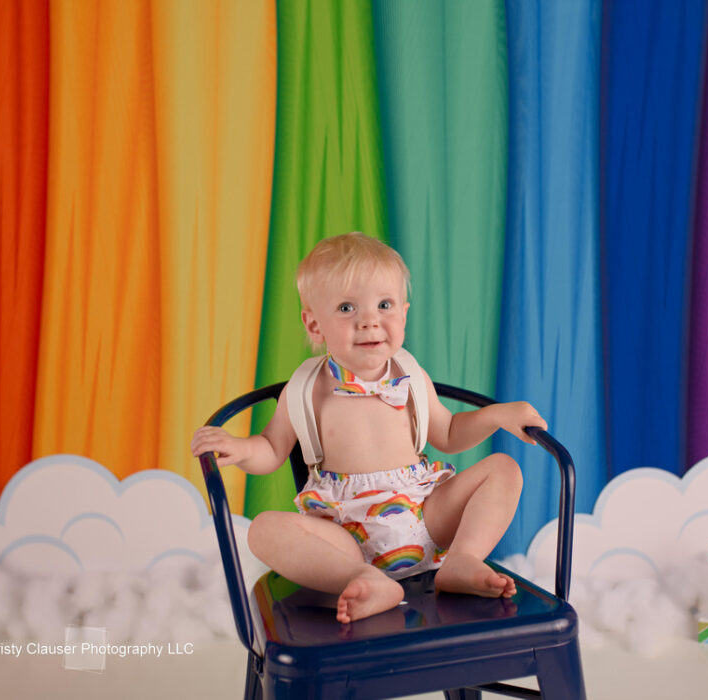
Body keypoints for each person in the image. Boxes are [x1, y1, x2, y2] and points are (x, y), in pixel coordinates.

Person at [191, 232, 546, 623]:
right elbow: (273, 448)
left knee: (503, 470)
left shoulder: (411, 374)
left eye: (384, 305)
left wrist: (497, 415)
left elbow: (449, 433)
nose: (369, 321)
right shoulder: (306, 386)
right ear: (314, 324)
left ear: (404, 314)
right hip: (344, 535)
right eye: (346, 308)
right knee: (262, 530)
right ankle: (363, 579)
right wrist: (241, 448)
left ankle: (461, 560)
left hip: (426, 515)